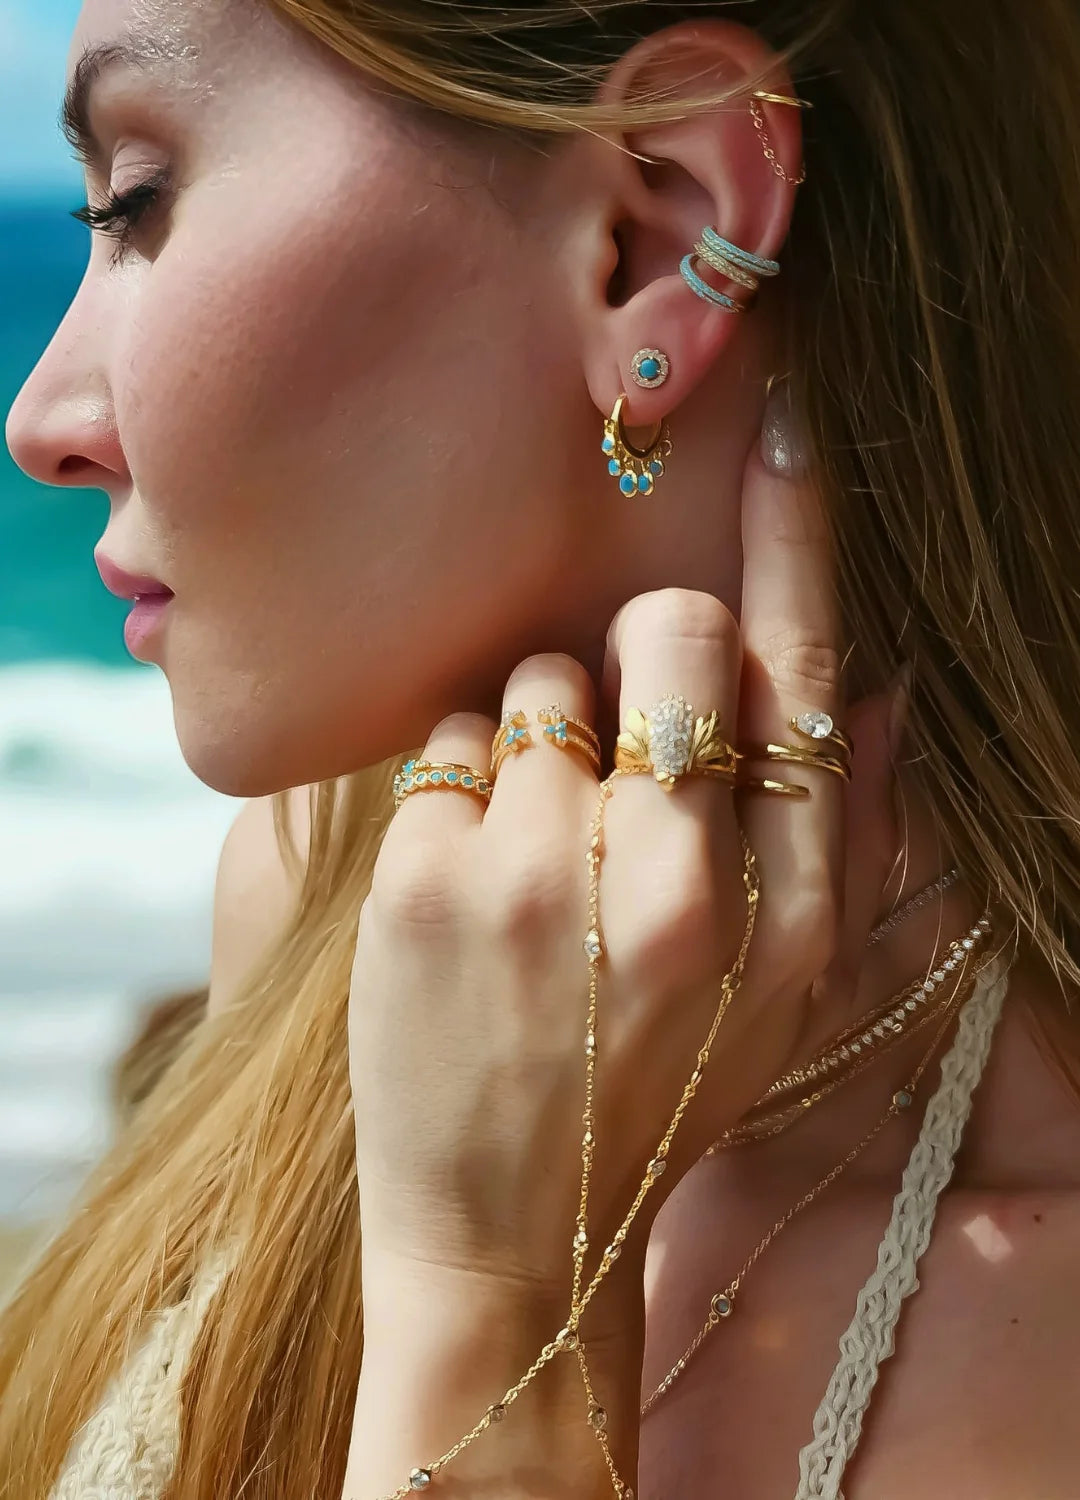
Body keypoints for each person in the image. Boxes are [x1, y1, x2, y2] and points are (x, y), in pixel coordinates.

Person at [3, 0, 1080, 1494]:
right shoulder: (346, 896)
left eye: (138, 200)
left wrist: (489, 1314)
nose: (41, 419)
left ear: (660, 245)